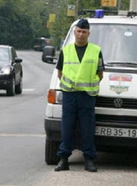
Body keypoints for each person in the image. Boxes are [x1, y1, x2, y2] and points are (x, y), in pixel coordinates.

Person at [54, 18, 104, 172]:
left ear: (89, 33)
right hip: (69, 95)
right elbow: (60, 73)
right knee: (67, 128)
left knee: (87, 129)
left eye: (84, 32)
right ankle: (63, 159)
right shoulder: (66, 50)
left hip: (87, 96)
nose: (81, 35)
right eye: (79, 31)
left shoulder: (96, 51)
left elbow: (100, 74)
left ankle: (89, 160)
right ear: (75, 32)